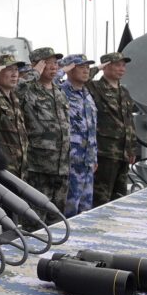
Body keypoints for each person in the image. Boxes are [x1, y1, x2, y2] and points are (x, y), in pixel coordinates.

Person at [16, 47, 70, 225]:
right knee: (35, 221)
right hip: (38, 167)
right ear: (36, 65)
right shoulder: (27, 90)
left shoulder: (59, 92)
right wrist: (33, 73)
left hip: (61, 166)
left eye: (55, 62)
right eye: (47, 62)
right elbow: (14, 93)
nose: (53, 66)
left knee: (57, 219)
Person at [87, 51, 137, 206]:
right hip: (105, 152)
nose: (121, 69)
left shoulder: (124, 92)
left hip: (123, 153)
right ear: (106, 67)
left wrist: (132, 148)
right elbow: (82, 78)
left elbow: (129, 122)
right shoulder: (96, 87)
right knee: (101, 198)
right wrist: (98, 67)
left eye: (123, 66)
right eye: (117, 65)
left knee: (120, 197)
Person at [59, 54, 98, 217]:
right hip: (71, 161)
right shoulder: (61, 92)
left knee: (86, 209)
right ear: (70, 70)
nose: (86, 71)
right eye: (81, 67)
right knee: (69, 209)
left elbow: (91, 128)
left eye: (87, 68)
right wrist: (61, 71)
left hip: (87, 161)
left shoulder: (87, 94)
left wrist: (94, 157)